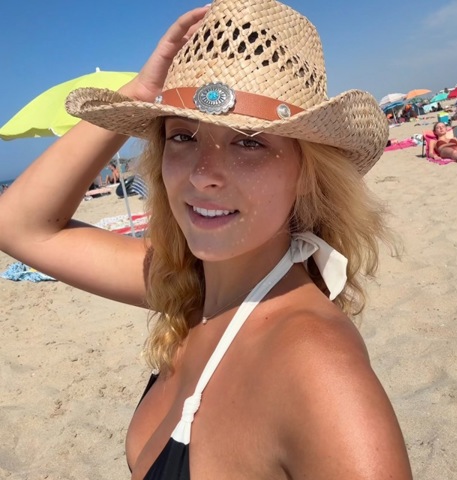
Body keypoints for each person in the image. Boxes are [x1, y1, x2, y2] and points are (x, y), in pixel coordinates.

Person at [0, 1, 412, 479]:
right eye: (183, 137)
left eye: (249, 141)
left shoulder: (318, 370)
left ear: (306, 174)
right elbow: (19, 226)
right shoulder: (188, 285)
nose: (202, 175)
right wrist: (139, 93)